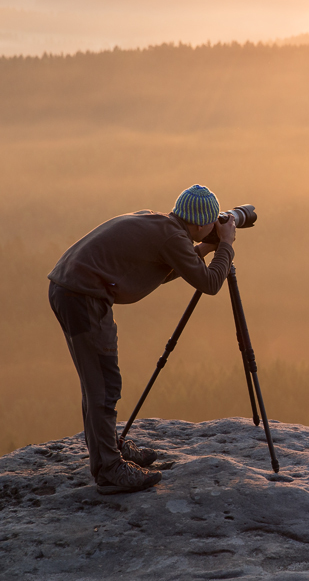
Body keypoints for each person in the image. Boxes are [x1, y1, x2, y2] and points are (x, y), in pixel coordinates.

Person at [47, 185, 235, 494]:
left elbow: (167, 266)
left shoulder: (163, 224)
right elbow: (211, 283)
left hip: (72, 289)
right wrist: (226, 244)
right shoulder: (173, 237)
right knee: (103, 385)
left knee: (98, 382)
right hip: (83, 298)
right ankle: (109, 470)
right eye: (213, 221)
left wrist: (205, 249)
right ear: (201, 224)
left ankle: (109, 451)